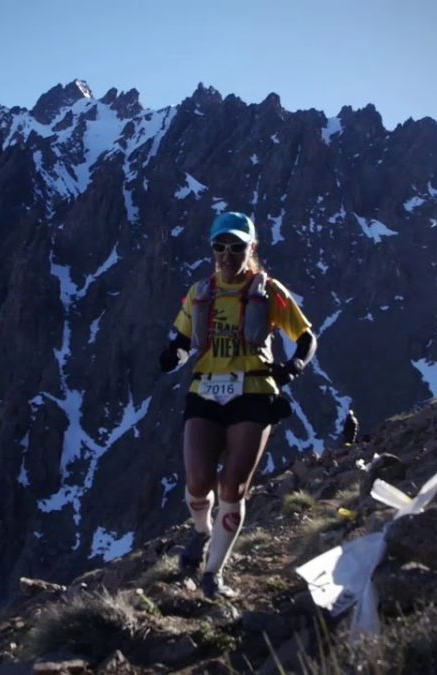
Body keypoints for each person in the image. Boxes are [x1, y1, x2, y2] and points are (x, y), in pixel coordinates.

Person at [158, 211, 318, 598]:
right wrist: (172, 355)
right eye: (220, 246)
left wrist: (293, 367)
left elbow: (306, 336)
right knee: (198, 481)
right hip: (205, 390)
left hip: (254, 391)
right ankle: (201, 532)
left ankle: (213, 575)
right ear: (212, 248)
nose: (228, 254)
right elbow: (180, 340)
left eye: (237, 246)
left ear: (252, 248)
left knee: (233, 486)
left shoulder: (268, 291)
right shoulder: (199, 293)